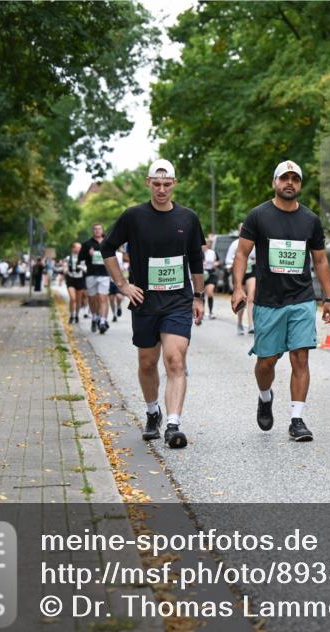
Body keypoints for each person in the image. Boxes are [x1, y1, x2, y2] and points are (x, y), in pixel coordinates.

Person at [102, 159, 206, 449]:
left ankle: (173, 424)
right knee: (147, 363)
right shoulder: (133, 216)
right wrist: (122, 285)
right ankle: (152, 412)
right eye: (157, 184)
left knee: (175, 360)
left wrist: (198, 296)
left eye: (167, 184)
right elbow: (107, 247)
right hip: (145, 301)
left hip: (177, 301)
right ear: (148, 182)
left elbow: (196, 260)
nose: (162, 189)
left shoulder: (188, 218)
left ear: (174, 184)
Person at [231, 160, 330, 442]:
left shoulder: (310, 220)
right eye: (284, 178)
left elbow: (320, 259)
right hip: (268, 301)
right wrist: (238, 288)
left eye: (295, 179)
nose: (290, 183)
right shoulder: (258, 216)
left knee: (300, 356)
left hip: (301, 298)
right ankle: (265, 397)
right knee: (266, 362)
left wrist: (329, 297)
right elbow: (241, 254)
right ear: (275, 182)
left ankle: (297, 419)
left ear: (300, 184)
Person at [83, 224, 111, 334]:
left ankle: (102, 321)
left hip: (104, 274)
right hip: (91, 274)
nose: (97, 231)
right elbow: (81, 258)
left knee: (102, 297)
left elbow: (112, 256)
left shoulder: (107, 242)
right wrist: (89, 255)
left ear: (102, 230)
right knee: (92, 299)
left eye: (99, 229)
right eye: (95, 229)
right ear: (92, 231)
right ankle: (94, 317)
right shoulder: (87, 244)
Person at [227, 235, 256, 334]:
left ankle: (251, 324)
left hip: (251, 271)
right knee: (242, 299)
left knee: (251, 296)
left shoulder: (256, 243)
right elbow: (228, 260)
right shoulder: (235, 244)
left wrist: (252, 260)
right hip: (239, 272)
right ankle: (239, 323)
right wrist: (236, 262)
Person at [65, 242, 87, 324]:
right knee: (73, 298)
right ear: (73, 249)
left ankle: (76, 315)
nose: (79, 249)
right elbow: (64, 267)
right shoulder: (68, 258)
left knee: (78, 300)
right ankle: (72, 315)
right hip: (70, 279)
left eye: (80, 248)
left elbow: (86, 268)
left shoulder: (83, 258)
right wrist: (64, 269)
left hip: (80, 279)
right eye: (78, 248)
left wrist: (82, 267)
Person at [203, 235, 218, 319]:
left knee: (210, 292)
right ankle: (202, 311)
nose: (205, 245)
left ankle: (211, 312)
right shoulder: (197, 252)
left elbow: (218, 261)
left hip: (210, 273)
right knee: (201, 294)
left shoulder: (212, 252)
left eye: (206, 243)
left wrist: (215, 264)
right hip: (200, 274)